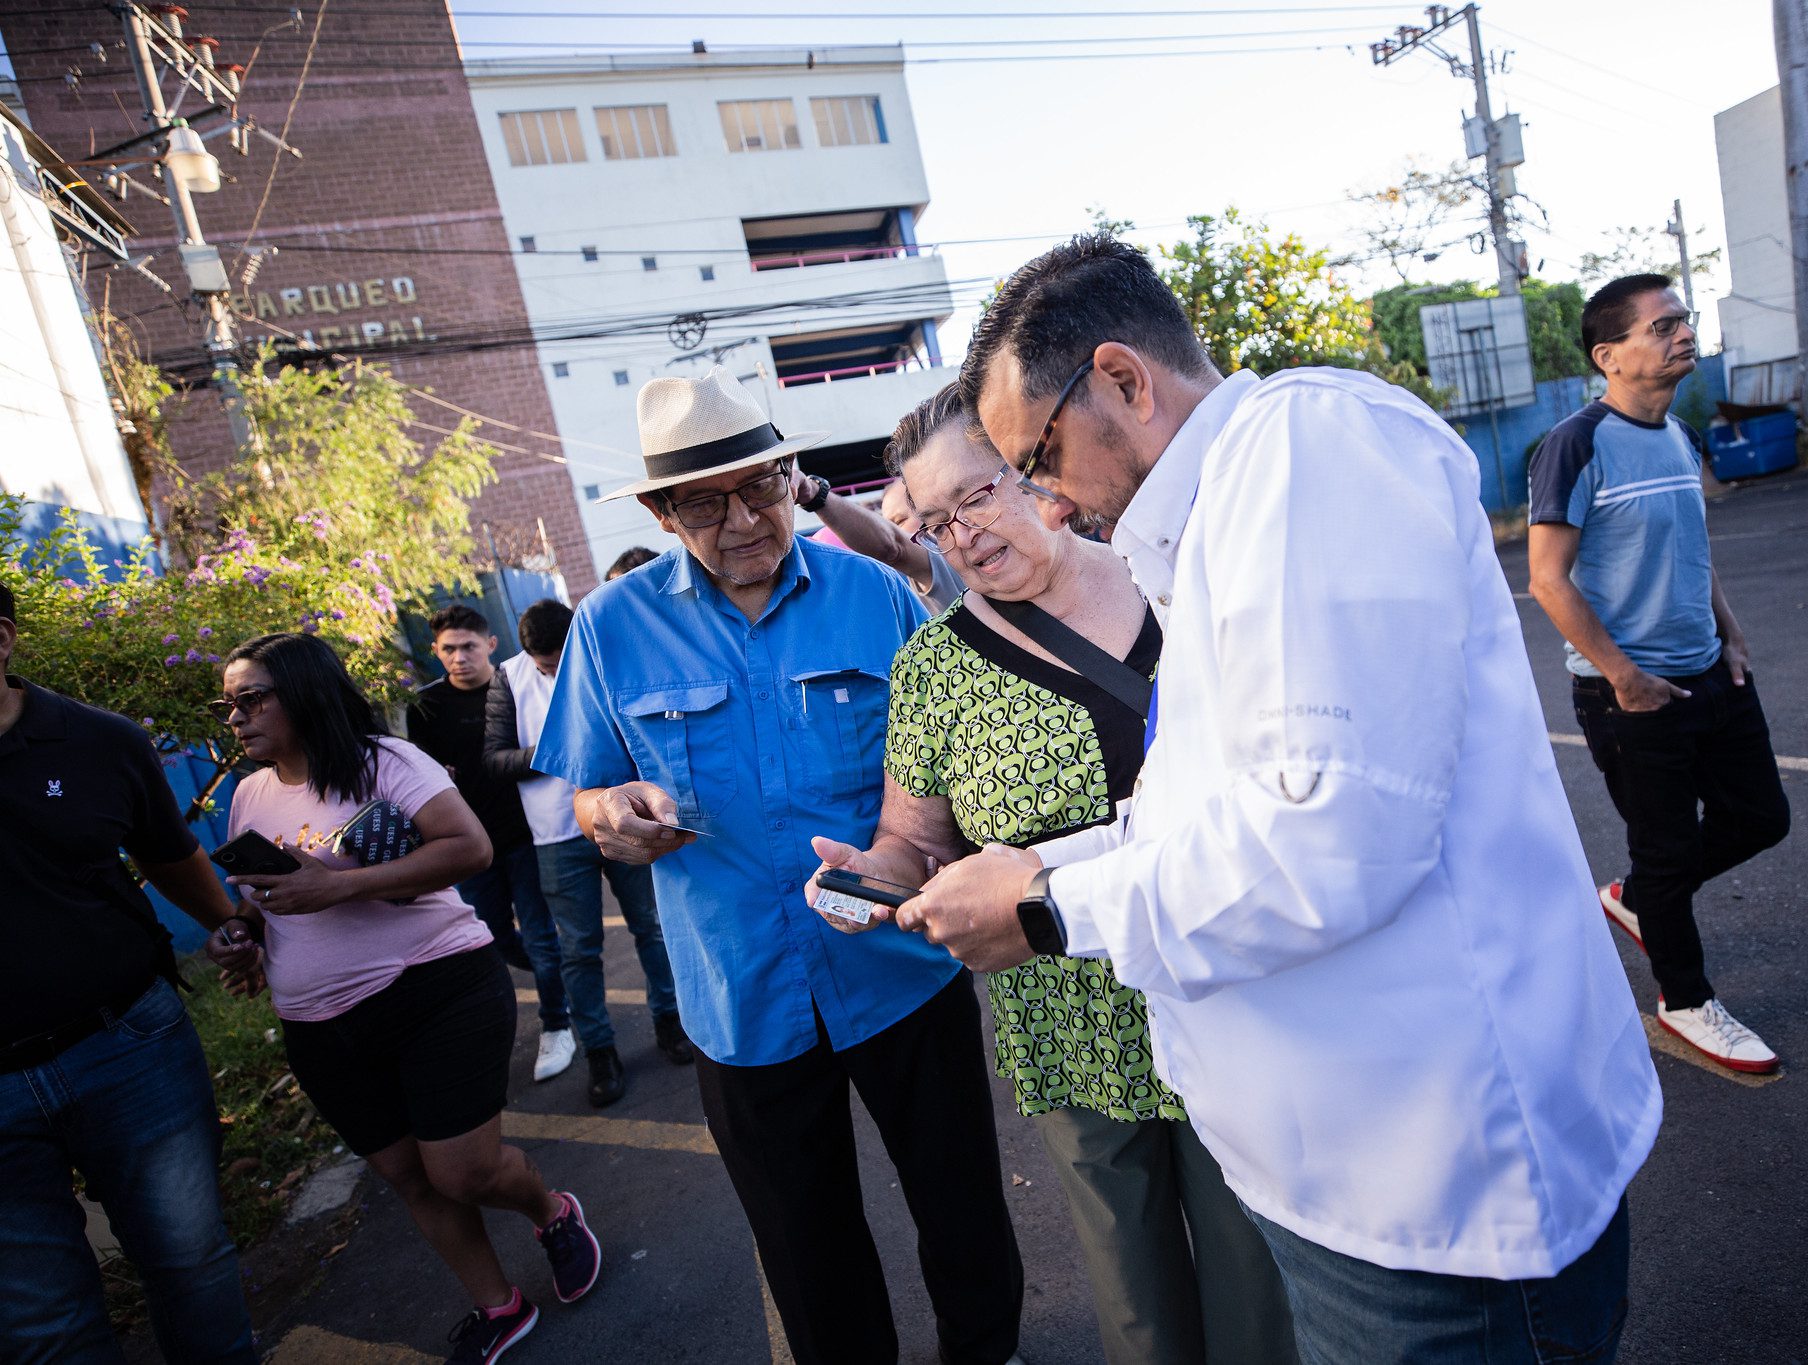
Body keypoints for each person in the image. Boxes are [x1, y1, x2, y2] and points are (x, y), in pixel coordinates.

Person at [893, 234, 1661, 1364]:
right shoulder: (1217, 517)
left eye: (1032, 458)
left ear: (1120, 378)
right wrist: (1045, 872)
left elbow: (1327, 836)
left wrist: (1051, 910)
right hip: (1355, 1181)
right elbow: (1217, 809)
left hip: (1443, 1204)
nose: (1044, 506)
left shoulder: (1306, 449)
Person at [533, 369, 1025, 1365]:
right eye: (705, 502)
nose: (741, 518)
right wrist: (611, 817)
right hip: (738, 990)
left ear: (790, 479)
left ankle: (988, 1351)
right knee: (804, 1241)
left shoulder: (875, 596)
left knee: (958, 1200)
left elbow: (954, 757)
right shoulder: (609, 626)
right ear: (666, 514)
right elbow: (586, 787)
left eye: (759, 487)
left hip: (899, 968)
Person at [809, 384, 1295, 1365]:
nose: (961, 534)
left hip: (1228, 995)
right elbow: (913, 835)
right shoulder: (935, 668)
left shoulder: (1180, 590)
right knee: (1137, 1298)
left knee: (1258, 1286)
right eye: (932, 521)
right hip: (1071, 1027)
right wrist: (877, 871)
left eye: (977, 495)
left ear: (1036, 476)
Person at [217, 631, 600, 1363]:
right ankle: (499, 1303)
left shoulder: (384, 762)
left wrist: (341, 884)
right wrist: (239, 934)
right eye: (227, 703)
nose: (234, 718)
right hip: (318, 1025)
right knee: (406, 1176)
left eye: (251, 699)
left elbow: (471, 849)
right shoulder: (248, 795)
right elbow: (263, 899)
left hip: (434, 990)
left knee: (463, 1170)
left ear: (303, 692)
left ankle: (551, 1213)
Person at [1526, 273, 1793, 1073]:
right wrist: (1623, 676)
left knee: (1761, 818)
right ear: (1610, 355)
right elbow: (1547, 577)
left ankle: (1642, 897)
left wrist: (1732, 635)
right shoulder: (1576, 443)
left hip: (1712, 672)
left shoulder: (1679, 437)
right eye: (1663, 324)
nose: (1683, 333)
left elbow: (1692, 552)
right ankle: (1685, 1003)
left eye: (1684, 320)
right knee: (1668, 847)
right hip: (1630, 697)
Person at [0, 583, 259, 1363]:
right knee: (43, 1325)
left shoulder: (96, 741)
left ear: (3, 637)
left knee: (191, 1266)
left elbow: (169, 853)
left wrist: (234, 927)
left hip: (129, 1049)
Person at [484, 598, 692, 1110]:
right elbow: (493, 758)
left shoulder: (601, 653)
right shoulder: (507, 679)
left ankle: (670, 1021)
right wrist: (562, 746)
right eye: (544, 665)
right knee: (578, 948)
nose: (551, 670)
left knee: (651, 926)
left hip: (629, 817)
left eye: (557, 660)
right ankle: (600, 1049)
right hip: (556, 833)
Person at [408, 605, 575, 1084]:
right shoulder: (426, 706)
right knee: (498, 937)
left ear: (490, 645)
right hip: (469, 846)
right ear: (436, 652)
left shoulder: (515, 685)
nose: (459, 658)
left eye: (468, 647)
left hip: (524, 834)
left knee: (542, 939)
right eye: (448, 649)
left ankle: (557, 1022)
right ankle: (561, 981)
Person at [789, 466, 965, 615]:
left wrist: (815, 494)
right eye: (887, 524)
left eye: (899, 521)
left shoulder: (950, 563)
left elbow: (893, 547)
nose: (889, 531)